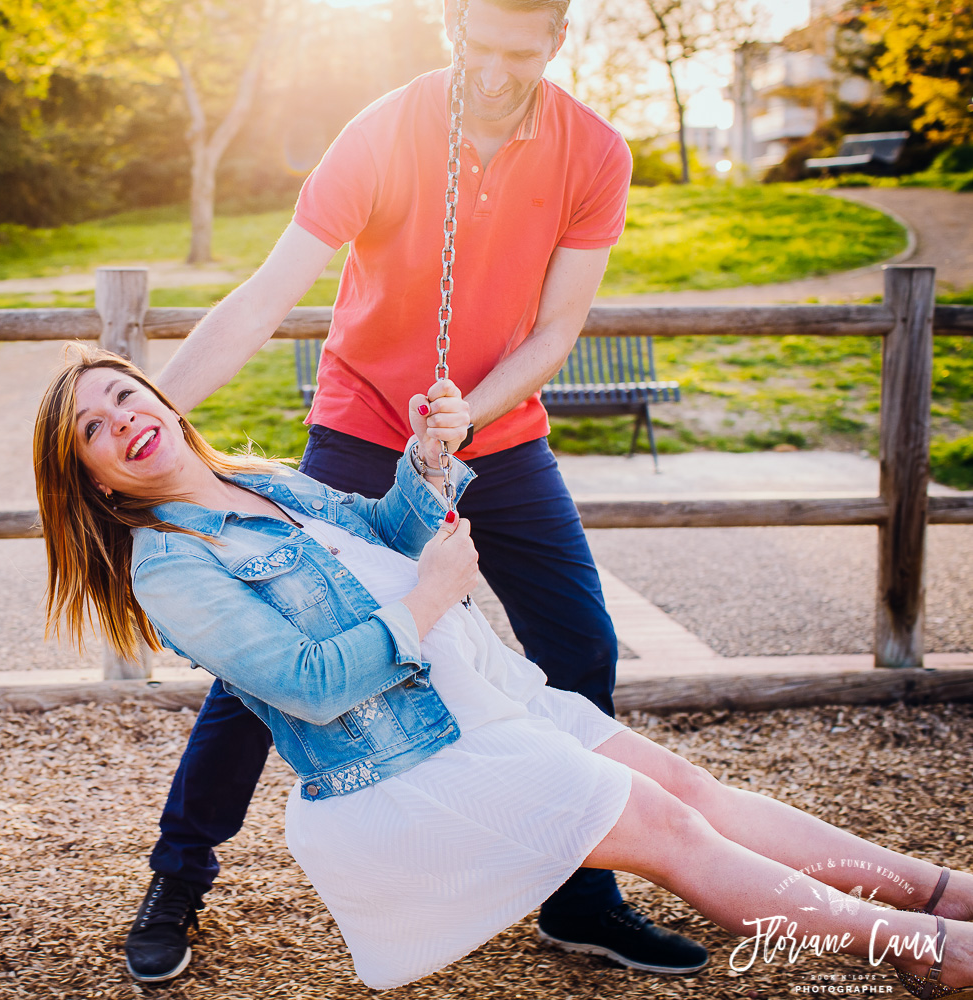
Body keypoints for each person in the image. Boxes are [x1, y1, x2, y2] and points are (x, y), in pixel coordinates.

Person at [32, 346, 973, 994]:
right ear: (96, 480)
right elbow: (309, 682)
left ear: (160, 398)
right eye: (92, 429)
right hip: (425, 754)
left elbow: (385, 539)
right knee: (673, 829)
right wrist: (429, 600)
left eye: (124, 396)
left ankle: (935, 891)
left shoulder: (263, 480)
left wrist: (428, 458)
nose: (121, 420)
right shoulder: (169, 565)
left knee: (690, 787)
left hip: (484, 688)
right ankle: (930, 950)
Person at [129, 0, 681, 982]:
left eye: (528, 52)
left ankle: (579, 893)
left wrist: (469, 411)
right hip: (359, 430)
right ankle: (178, 874)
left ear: (559, 41)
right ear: (454, 22)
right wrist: (152, 411)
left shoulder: (594, 154)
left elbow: (556, 331)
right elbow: (266, 295)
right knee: (258, 674)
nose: (503, 73)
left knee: (582, 642)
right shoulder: (382, 132)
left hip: (499, 435)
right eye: (485, 46)